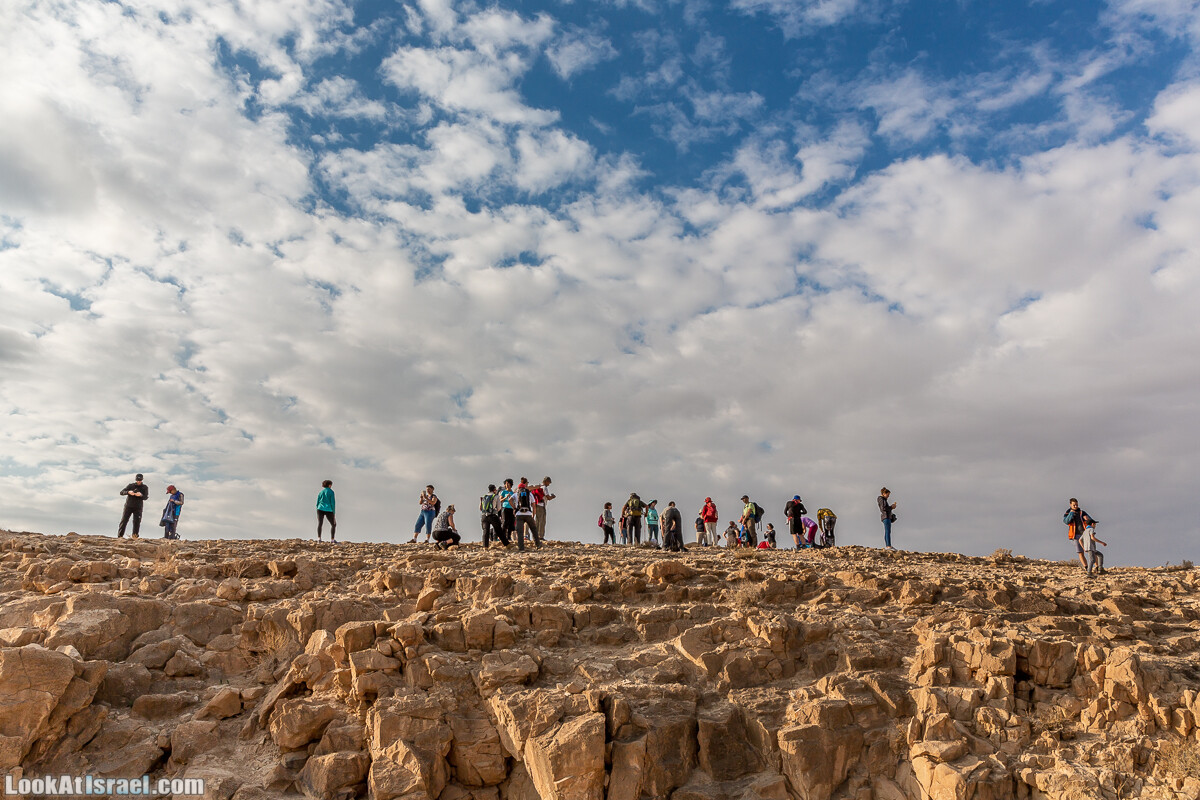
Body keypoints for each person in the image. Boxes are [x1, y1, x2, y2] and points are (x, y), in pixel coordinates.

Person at [1063, 498, 1094, 572]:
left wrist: (1087, 520)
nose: (1076, 506)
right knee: (1080, 552)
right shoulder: (1067, 513)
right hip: (1075, 535)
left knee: (1091, 550)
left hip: (1085, 534)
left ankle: (1097, 567)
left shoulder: (1082, 512)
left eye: (1077, 505)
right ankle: (1086, 567)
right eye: (1074, 505)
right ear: (1070, 505)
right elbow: (1066, 521)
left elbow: (1092, 521)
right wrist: (1071, 513)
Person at [118, 474, 150, 539]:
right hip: (128, 506)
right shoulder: (130, 485)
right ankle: (120, 536)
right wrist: (128, 492)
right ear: (135, 479)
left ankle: (135, 537)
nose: (139, 481)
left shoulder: (145, 487)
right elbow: (121, 492)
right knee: (124, 521)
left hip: (138, 507)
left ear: (142, 479)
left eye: (140, 480)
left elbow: (146, 497)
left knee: (137, 522)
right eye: (137, 480)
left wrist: (141, 495)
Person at [513, 480, 540, 550]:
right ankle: (538, 544)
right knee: (534, 529)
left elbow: (510, 499)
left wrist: (514, 507)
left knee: (520, 532)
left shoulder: (516, 493)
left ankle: (521, 548)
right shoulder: (529, 493)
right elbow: (534, 505)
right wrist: (533, 515)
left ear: (519, 488)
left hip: (519, 514)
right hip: (528, 514)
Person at [533, 477, 555, 541]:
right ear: (546, 481)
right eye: (549, 482)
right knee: (542, 521)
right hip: (541, 506)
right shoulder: (544, 488)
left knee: (537, 521)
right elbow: (548, 497)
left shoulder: (539, 486)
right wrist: (552, 497)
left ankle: (535, 536)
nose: (549, 484)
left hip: (536, 505)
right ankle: (540, 536)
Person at [498, 479, 516, 545]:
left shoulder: (513, 493)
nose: (507, 485)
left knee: (511, 523)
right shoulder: (503, 492)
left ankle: (508, 537)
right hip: (505, 508)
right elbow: (500, 500)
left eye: (508, 483)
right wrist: (505, 497)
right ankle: (502, 536)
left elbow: (514, 501)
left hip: (511, 508)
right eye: (506, 484)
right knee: (505, 522)